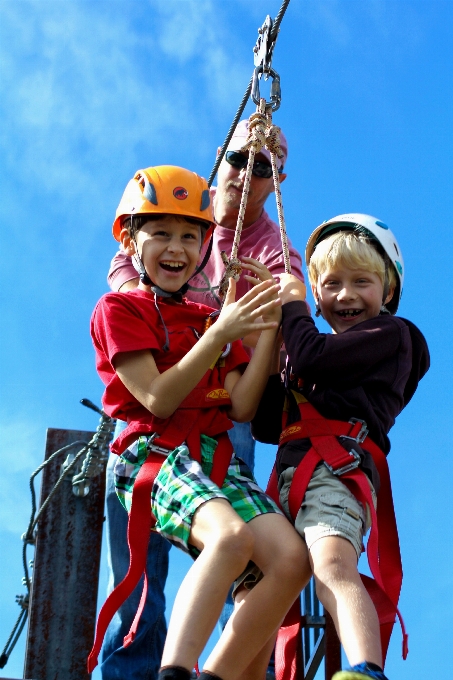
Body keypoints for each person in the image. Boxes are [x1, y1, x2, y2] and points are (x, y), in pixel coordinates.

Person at [101, 121, 304, 680]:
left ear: (276, 180)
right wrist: (192, 325)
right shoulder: (134, 296)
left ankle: (219, 673)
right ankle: (160, 671)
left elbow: (241, 404)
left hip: (214, 430)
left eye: (261, 167)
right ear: (222, 158)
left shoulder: (266, 255)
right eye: (238, 159)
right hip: (154, 443)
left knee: (281, 561)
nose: (244, 173)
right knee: (182, 559)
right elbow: (157, 397)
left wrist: (259, 327)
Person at [252, 214, 430, 680]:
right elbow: (268, 423)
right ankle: (244, 668)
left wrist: (293, 310)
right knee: (256, 580)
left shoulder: (393, 337)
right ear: (317, 291)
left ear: (388, 292)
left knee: (332, 562)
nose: (345, 295)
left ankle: (365, 669)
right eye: (330, 284)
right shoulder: (313, 355)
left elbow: (313, 354)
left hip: (336, 469)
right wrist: (272, 347)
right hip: (291, 473)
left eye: (361, 282)